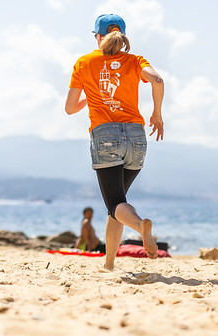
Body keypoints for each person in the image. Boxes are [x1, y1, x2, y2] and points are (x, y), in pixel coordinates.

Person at [65, 14, 165, 270]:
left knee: (115, 203)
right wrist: (157, 114)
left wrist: (92, 95)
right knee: (117, 203)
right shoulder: (134, 61)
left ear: (98, 36)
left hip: (106, 136)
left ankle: (141, 225)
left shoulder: (84, 63)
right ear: (122, 36)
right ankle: (109, 263)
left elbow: (69, 108)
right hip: (137, 137)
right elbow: (157, 80)